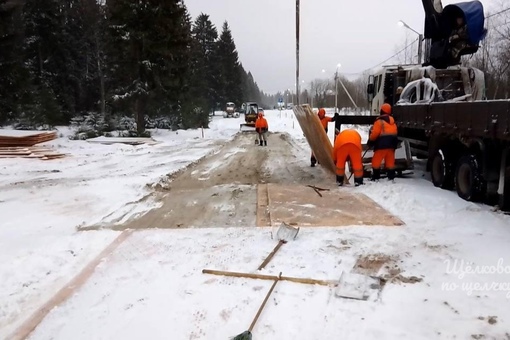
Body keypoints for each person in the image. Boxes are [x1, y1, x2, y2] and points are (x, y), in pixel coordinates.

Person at [368, 103, 399, 181]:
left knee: (376, 161)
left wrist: (371, 141)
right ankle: (391, 176)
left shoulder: (379, 122)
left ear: (382, 111)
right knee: (390, 161)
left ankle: (375, 176)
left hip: (381, 145)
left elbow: (375, 133)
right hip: (392, 145)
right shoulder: (393, 121)